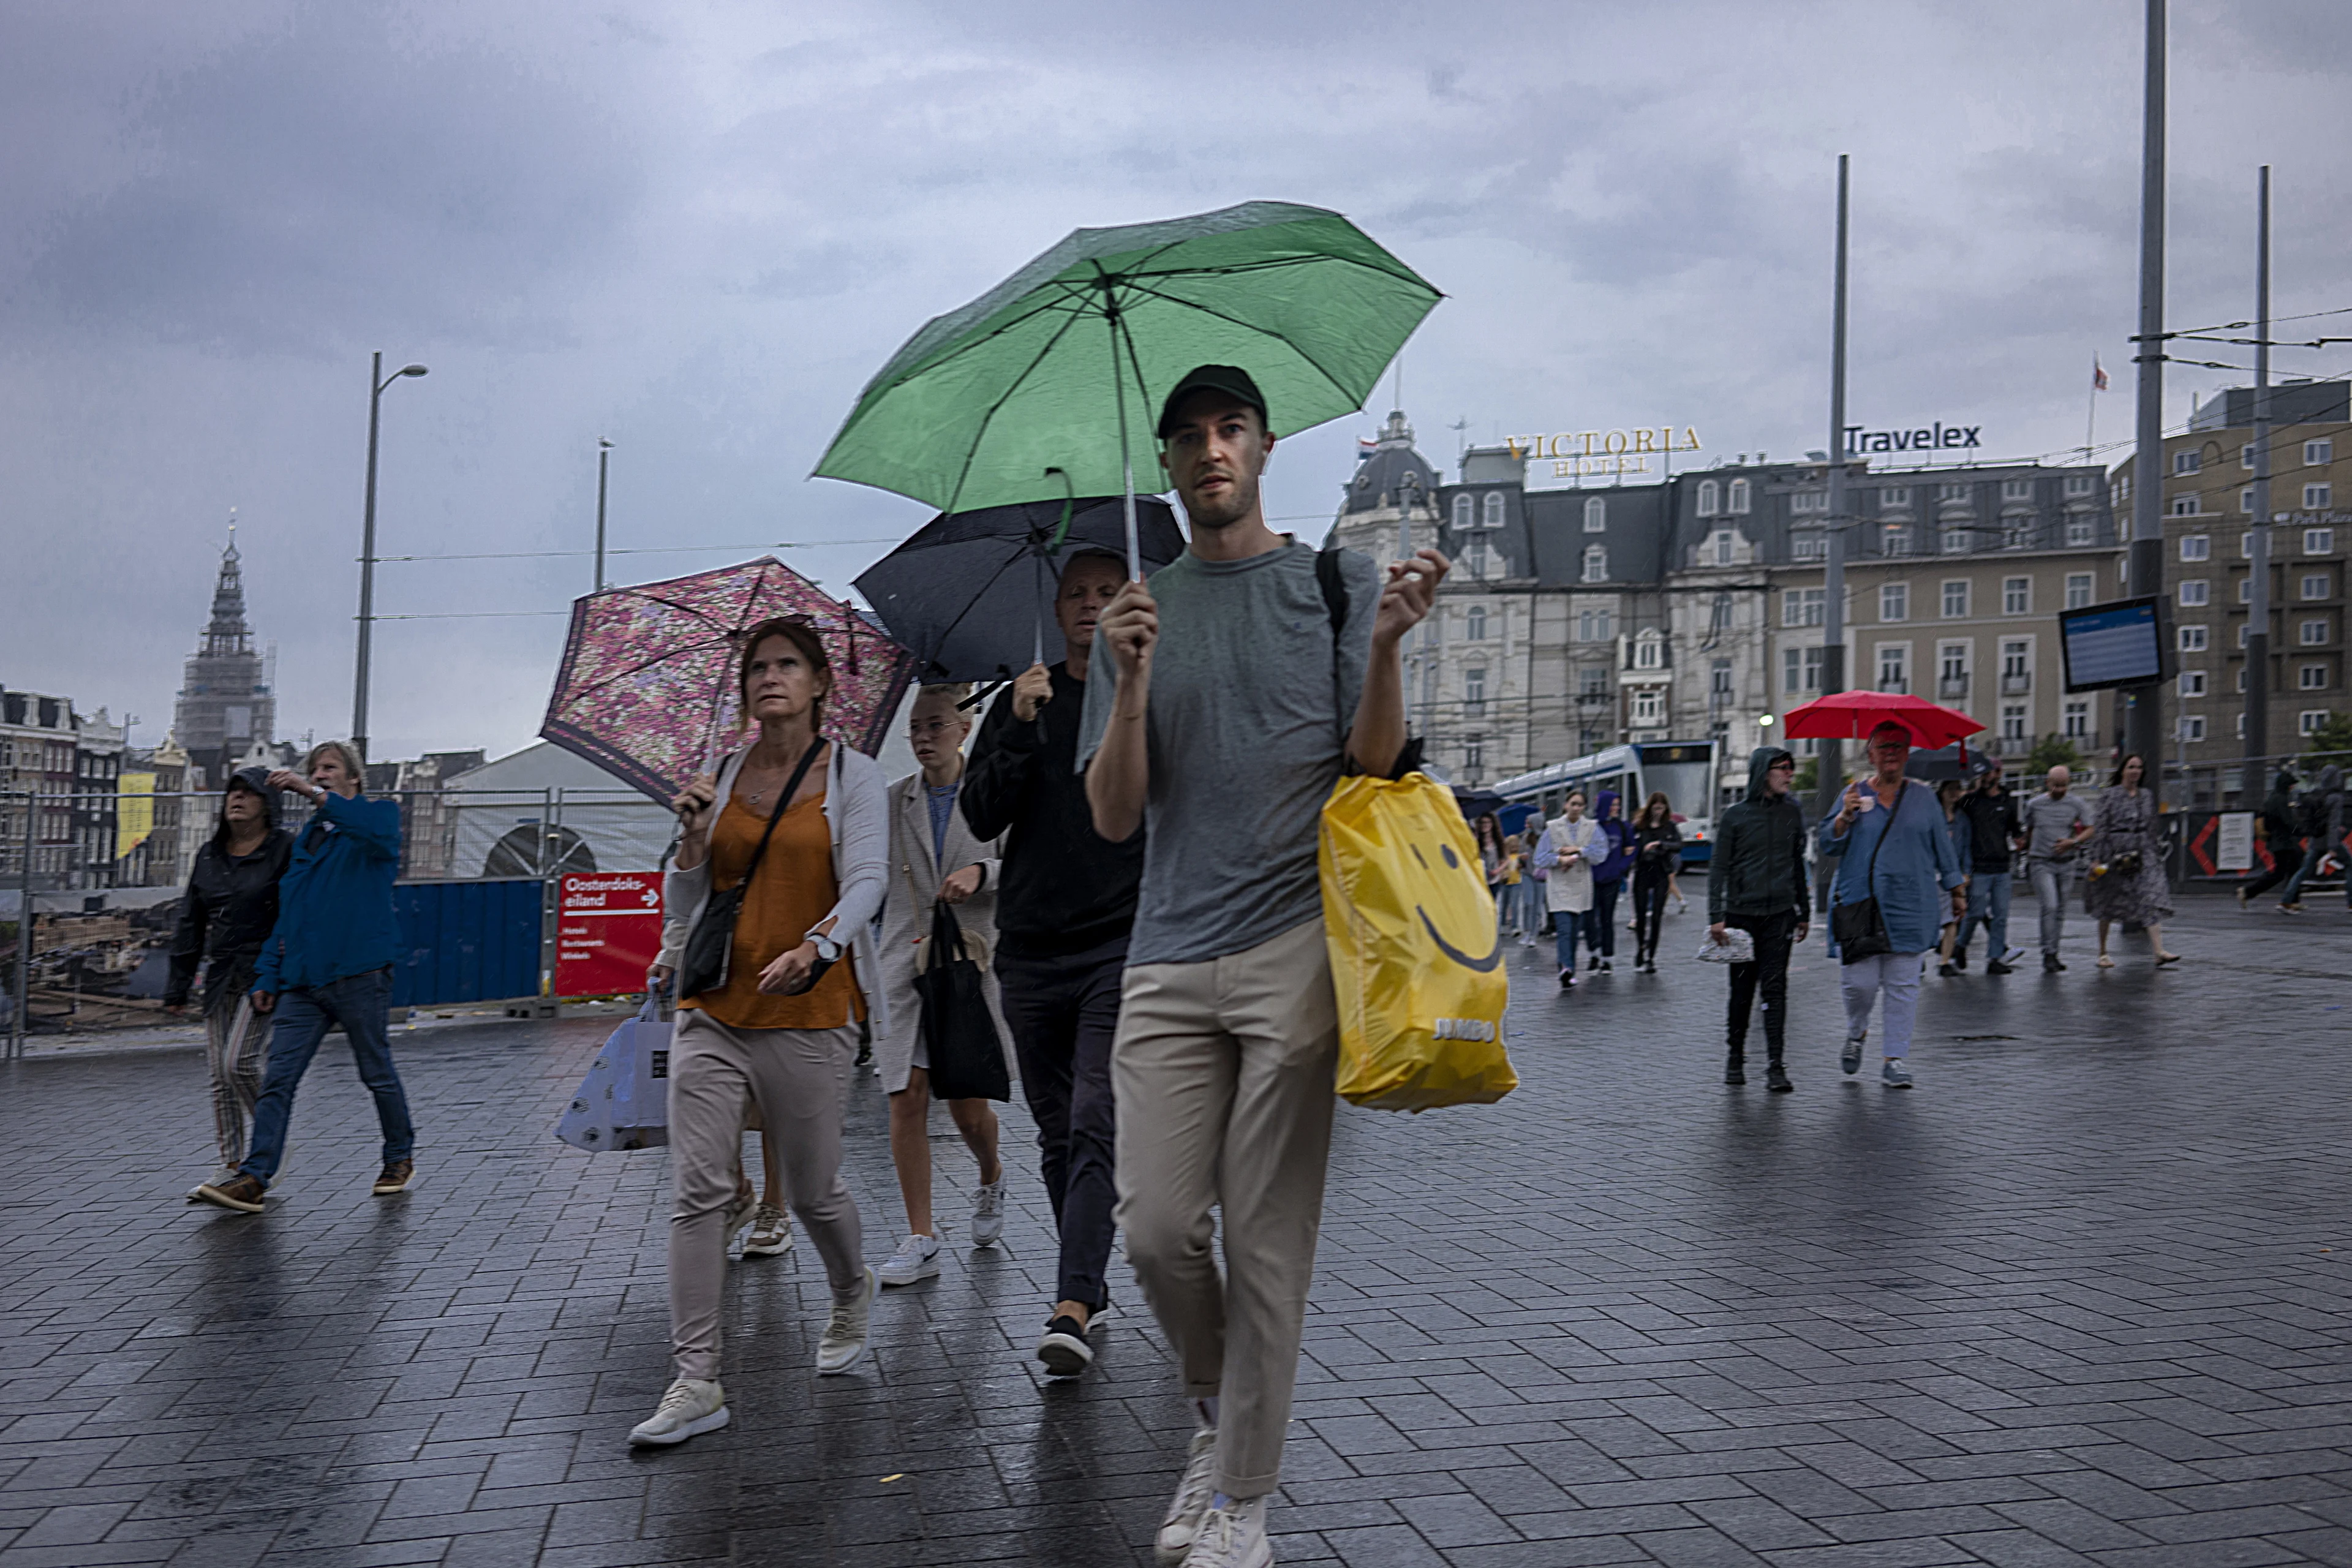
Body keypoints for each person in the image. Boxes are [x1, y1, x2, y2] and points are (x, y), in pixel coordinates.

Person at [1080, 363, 1442, 1567]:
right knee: (1155, 1227)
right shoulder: (1136, 614)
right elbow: (1118, 819)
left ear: (1265, 444)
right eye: (1187, 436)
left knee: (1267, 1237)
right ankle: (1217, 1409)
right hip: (1168, 952)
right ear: (1170, 461)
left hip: (1297, 941)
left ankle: (1242, 1496)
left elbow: (1376, 759)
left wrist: (1386, 642)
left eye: (1229, 428)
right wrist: (1129, 684)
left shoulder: (1333, 582)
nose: (1209, 450)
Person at [627, 618, 886, 1447]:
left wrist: (820, 943)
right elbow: (692, 897)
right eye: (757, 668)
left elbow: (872, 879)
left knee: (812, 1193)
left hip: (809, 1011)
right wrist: (695, 838)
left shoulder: (853, 775)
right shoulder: (722, 776)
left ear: (818, 685)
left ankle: (851, 1288)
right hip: (715, 1007)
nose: (768, 678)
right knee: (698, 1192)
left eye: (786, 665)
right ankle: (696, 1380)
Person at [962, 548, 1143, 1378]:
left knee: (1095, 1116)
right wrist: (1022, 727)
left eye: (1107, 592)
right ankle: (1091, 1279)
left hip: (1121, 939)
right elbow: (981, 811)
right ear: (1057, 605)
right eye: (1076, 593)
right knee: (1055, 1130)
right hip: (1031, 948)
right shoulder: (1020, 699)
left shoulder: (1144, 697)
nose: (1090, 606)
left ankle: (1071, 1299)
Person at [194, 742, 415, 1213]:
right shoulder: (310, 838)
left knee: (375, 1071)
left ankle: (399, 1156)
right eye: (315, 769)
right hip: (303, 980)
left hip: (359, 971)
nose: (321, 774)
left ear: (353, 779)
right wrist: (269, 976)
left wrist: (312, 791)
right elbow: (289, 913)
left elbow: (372, 833)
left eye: (330, 768)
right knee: (278, 1078)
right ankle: (254, 1177)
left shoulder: (378, 817)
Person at [872, 684, 1007, 1289]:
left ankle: (991, 1174)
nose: (923, 737)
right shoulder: (891, 801)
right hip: (905, 963)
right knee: (907, 1093)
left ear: (966, 726)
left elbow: (1027, 862)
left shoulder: (992, 793)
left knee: (967, 1109)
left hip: (971, 966)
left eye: (935, 725)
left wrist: (983, 872)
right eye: (915, 728)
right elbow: (863, 873)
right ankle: (921, 1233)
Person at [167, 766, 293, 1196]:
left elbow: (294, 913)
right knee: (219, 1077)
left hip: (264, 972)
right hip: (221, 974)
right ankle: (233, 1164)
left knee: (237, 1062)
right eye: (232, 793)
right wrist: (177, 987)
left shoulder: (284, 850)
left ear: (267, 805)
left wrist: (281, 968)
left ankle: (270, 1142)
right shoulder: (209, 854)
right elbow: (191, 921)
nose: (236, 799)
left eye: (249, 793)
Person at [1818, 722, 1966, 1088]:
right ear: (1871, 754)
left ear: (1907, 754)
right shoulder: (1852, 794)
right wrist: (1844, 818)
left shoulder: (1923, 798)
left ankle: (1894, 1058)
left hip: (1910, 904)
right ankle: (1857, 1032)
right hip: (1860, 903)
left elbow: (1943, 849)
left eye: (1898, 747)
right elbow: (1828, 842)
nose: (1891, 753)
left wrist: (1957, 889)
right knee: (1859, 984)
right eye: (1884, 747)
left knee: (1903, 985)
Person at [1708, 749, 1809, 1089]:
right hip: (1741, 916)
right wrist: (1716, 915)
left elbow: (1798, 864)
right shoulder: (1736, 816)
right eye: (1784, 769)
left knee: (1775, 990)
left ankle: (1776, 1067)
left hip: (1780, 915)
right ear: (1763, 773)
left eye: (1791, 768)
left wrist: (1804, 911)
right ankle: (1735, 1058)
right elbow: (1719, 867)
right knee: (1741, 992)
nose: (1790, 775)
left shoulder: (1792, 814)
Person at [2084, 753, 2179, 965]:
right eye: (2131, 767)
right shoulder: (2109, 795)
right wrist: (2096, 859)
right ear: (2123, 771)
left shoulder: (2145, 796)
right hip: (2115, 850)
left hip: (2142, 850)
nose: (2136, 771)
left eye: (2139, 767)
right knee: (2108, 901)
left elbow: (2151, 824)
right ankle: (2103, 952)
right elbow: (2100, 828)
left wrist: (2153, 852)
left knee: (2150, 895)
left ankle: (2159, 951)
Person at [2018, 764, 2095, 971]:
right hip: (2041, 862)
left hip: (2067, 863)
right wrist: (2025, 848)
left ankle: (2053, 952)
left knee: (2060, 909)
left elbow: (2091, 828)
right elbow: (2029, 828)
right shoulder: (2034, 804)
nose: (2060, 790)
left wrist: (2074, 841)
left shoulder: (2076, 803)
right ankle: (2047, 952)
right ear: (2047, 783)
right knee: (2050, 906)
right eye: (2056, 786)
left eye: (2064, 786)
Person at [1953, 756, 2024, 973]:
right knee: (1974, 912)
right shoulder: (1970, 801)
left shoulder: (2008, 801)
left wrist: (2021, 840)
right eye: (1982, 773)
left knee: (2001, 915)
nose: (1985, 777)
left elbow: (2015, 830)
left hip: (2002, 866)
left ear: (1999, 773)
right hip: (1978, 867)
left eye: (1989, 772)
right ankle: (1960, 946)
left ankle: (1995, 959)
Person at [1542, 791, 1602, 989]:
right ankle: (1566, 968)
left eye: (1580, 805)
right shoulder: (1552, 828)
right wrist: (1560, 859)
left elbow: (1601, 853)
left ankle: (1570, 967)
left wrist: (1578, 852)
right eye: (1573, 804)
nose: (1576, 808)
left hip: (1581, 884)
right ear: (1566, 805)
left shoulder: (1592, 827)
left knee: (1575, 930)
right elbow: (1539, 858)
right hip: (1559, 884)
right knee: (1564, 929)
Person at [2277, 764, 2345, 913]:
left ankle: (2286, 901)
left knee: (2303, 870)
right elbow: (2333, 823)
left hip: (2315, 838)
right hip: (2328, 839)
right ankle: (2351, 903)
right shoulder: (2336, 797)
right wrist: (2333, 846)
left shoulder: (2316, 794)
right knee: (2350, 865)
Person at [1629, 792, 1681, 973]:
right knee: (1641, 916)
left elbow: (1679, 845)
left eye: (1662, 808)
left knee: (1657, 916)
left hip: (1661, 872)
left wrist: (1661, 845)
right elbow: (1630, 847)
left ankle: (1651, 957)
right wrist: (1640, 850)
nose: (1659, 811)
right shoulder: (1640, 827)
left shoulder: (1669, 827)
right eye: (1656, 808)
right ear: (1650, 808)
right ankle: (1641, 949)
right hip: (1643, 872)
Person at [2237, 765, 2301, 907]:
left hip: (2278, 840)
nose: (2292, 788)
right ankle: (2249, 892)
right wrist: (2301, 829)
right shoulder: (2281, 799)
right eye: (2291, 785)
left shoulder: (2273, 798)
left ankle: (2292, 899)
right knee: (2283, 872)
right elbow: (2287, 821)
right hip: (2283, 841)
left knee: (2291, 868)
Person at [1583, 791, 1631, 973]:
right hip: (1591, 880)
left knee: (1607, 919)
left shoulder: (1623, 827)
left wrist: (1620, 867)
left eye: (1618, 805)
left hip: (1612, 880)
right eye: (1613, 805)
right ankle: (1593, 952)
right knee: (1589, 919)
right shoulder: (1590, 827)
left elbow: (1631, 849)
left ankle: (1607, 957)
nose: (1616, 808)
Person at [1933, 778, 1973, 978]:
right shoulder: (1932, 817)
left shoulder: (1962, 819)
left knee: (1953, 918)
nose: (1954, 793)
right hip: (1933, 874)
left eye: (1958, 789)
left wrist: (1966, 872)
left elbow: (1966, 847)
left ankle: (1945, 961)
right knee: (1929, 918)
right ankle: (1920, 958)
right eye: (1950, 789)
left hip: (1955, 874)